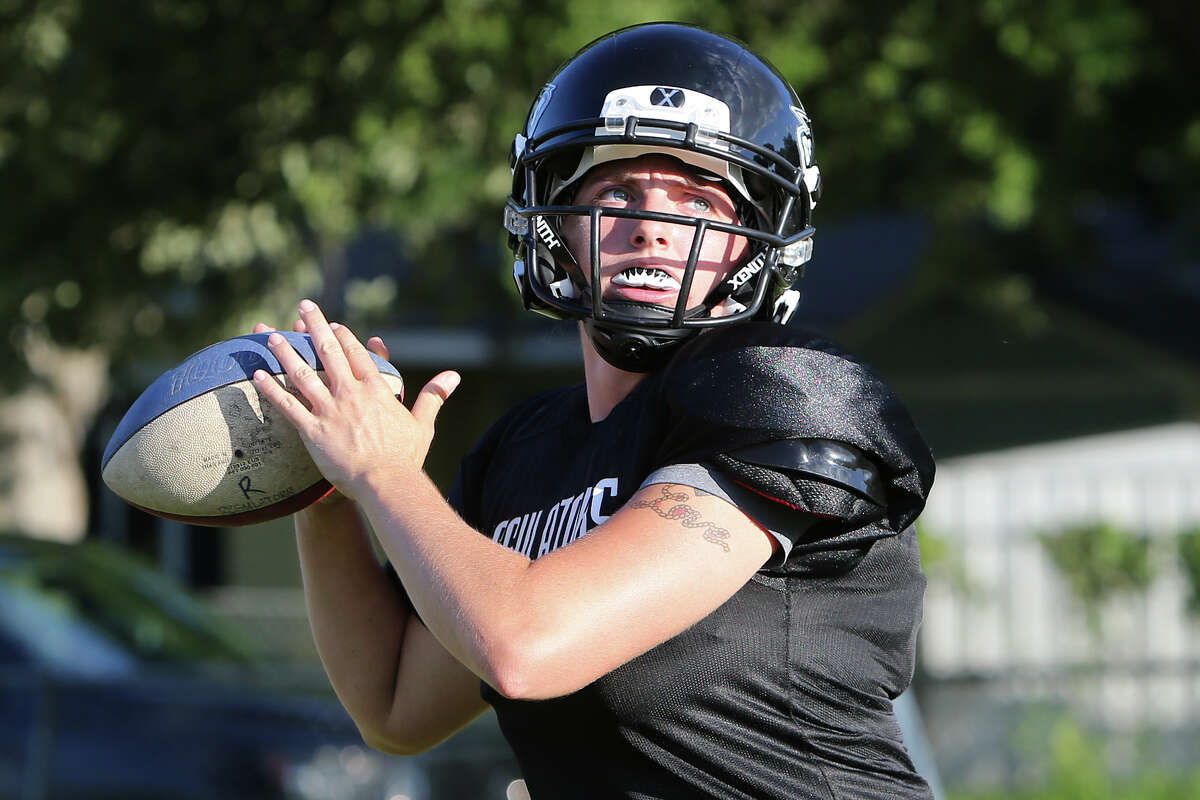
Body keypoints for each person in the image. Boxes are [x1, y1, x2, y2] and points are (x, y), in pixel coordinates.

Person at [252, 22, 936, 800]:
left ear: (756, 243)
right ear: (559, 224)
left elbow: (527, 645)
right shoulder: (527, 450)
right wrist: (325, 486)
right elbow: (396, 706)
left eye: (698, 199)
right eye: (617, 192)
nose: (654, 224)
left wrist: (384, 471)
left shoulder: (787, 395)